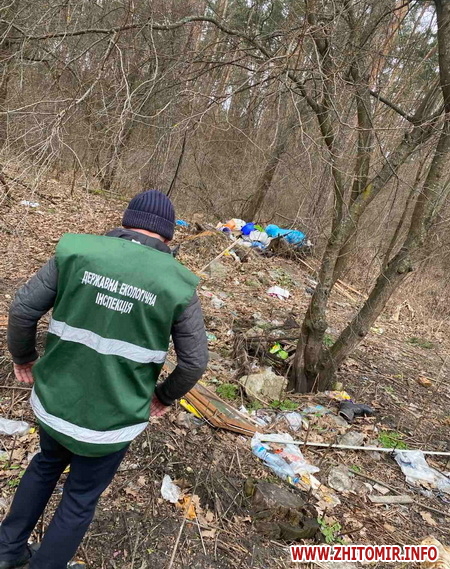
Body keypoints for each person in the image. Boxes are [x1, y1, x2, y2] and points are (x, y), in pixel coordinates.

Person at [0, 190, 209, 569]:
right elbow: (194, 363)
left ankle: (7, 550)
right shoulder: (177, 283)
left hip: (55, 402)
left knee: (45, 465)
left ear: (126, 222)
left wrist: (24, 357)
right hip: (113, 420)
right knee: (79, 499)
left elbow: (23, 308)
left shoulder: (77, 252)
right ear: (167, 235)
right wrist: (163, 397)